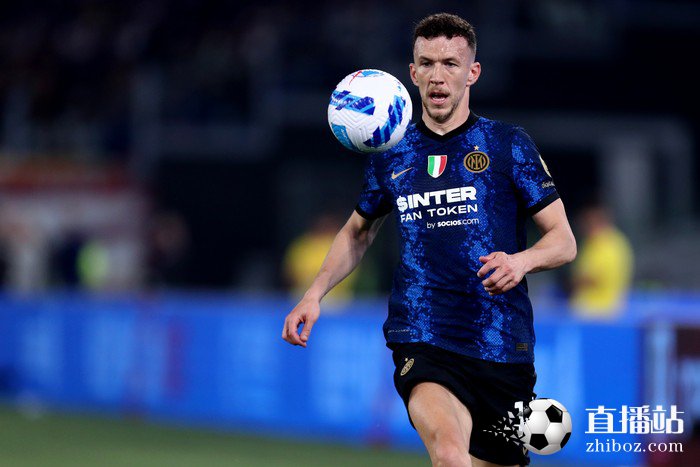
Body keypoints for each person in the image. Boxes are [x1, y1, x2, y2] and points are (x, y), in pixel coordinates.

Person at [282, 13, 576, 467]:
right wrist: (313, 294)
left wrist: (520, 262)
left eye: (450, 64)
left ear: (472, 73)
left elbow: (563, 242)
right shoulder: (390, 152)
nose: (438, 75)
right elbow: (358, 231)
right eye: (427, 63)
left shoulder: (507, 145)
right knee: (450, 455)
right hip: (423, 335)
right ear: (413, 73)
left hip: (502, 342)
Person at [570, 203, 633, 318]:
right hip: (615, 305)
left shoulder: (601, 243)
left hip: (595, 309)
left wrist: (573, 282)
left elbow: (593, 278)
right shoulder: (619, 240)